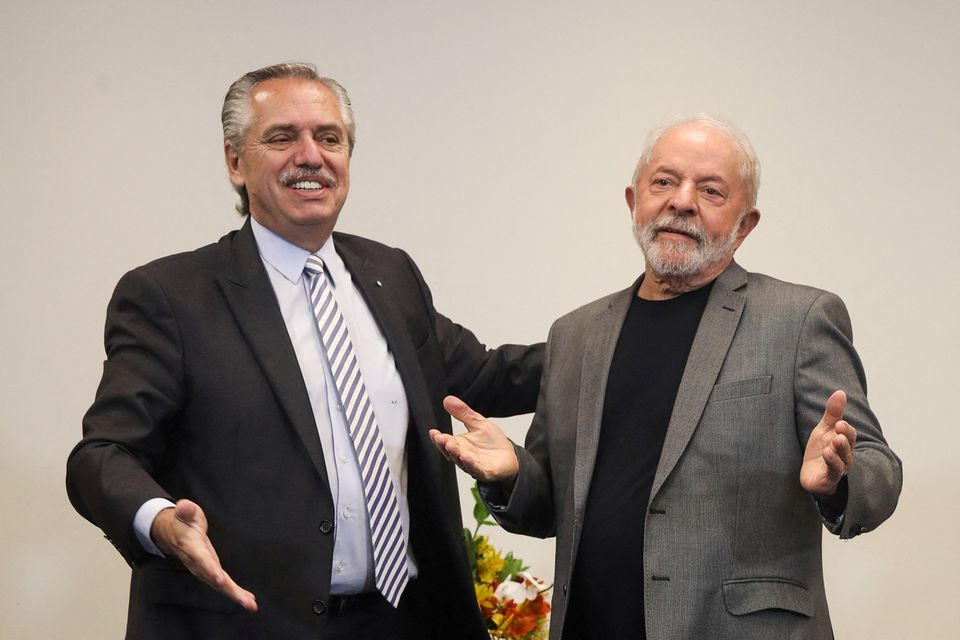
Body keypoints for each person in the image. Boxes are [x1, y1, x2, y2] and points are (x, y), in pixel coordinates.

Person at [66, 62, 542, 640]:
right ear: (235, 161)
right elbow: (102, 454)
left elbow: (489, 372)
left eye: (329, 138)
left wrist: (614, 334)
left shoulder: (389, 272)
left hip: (404, 622)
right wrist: (160, 521)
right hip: (248, 625)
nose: (310, 156)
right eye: (282, 137)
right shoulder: (171, 297)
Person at [431, 116, 902, 639]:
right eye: (664, 181)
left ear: (745, 225)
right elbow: (548, 511)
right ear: (634, 201)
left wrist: (838, 482)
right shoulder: (576, 334)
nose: (681, 201)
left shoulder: (799, 319)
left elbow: (880, 470)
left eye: (711, 190)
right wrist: (511, 473)